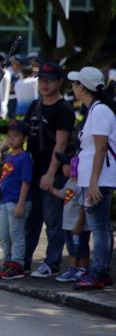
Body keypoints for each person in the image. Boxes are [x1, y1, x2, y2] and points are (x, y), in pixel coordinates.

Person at [23, 62, 74, 277]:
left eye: (49, 80)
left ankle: (52, 263)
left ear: (60, 82)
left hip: (50, 171)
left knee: (53, 221)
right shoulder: (35, 104)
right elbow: (22, 132)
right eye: (41, 79)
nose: (44, 84)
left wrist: (50, 174)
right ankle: (22, 261)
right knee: (30, 220)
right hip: (33, 170)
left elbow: (61, 144)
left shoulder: (64, 109)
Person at [68, 66, 115, 291]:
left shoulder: (100, 111)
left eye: (75, 84)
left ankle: (98, 273)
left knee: (99, 228)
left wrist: (94, 182)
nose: (73, 87)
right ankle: (100, 272)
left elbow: (100, 149)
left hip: (99, 180)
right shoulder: (95, 109)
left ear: (82, 87)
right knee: (101, 227)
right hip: (95, 179)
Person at [0, 121, 33, 279]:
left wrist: (21, 204)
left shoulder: (24, 158)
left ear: (24, 138)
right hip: (5, 201)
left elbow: (26, 182)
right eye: (9, 136)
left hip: (17, 202)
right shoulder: (9, 156)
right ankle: (8, 261)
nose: (11, 139)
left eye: (16, 136)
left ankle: (18, 265)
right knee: (3, 234)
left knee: (16, 234)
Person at [49, 151, 91, 283]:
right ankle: (73, 268)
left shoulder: (81, 185)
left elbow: (84, 206)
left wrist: (79, 224)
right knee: (72, 248)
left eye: (66, 165)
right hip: (68, 225)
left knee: (81, 248)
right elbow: (63, 195)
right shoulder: (69, 182)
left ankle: (83, 269)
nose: (63, 168)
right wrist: (50, 189)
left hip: (78, 226)